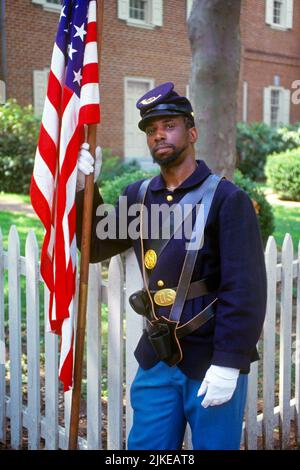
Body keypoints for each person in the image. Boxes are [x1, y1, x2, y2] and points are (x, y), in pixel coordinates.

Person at [75, 82, 267, 450]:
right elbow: (95, 245)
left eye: (169, 125)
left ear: (191, 133)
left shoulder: (228, 199)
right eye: (151, 129)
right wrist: (87, 187)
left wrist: (229, 361)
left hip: (213, 358)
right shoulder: (138, 195)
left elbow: (245, 289)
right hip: (156, 358)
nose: (158, 134)